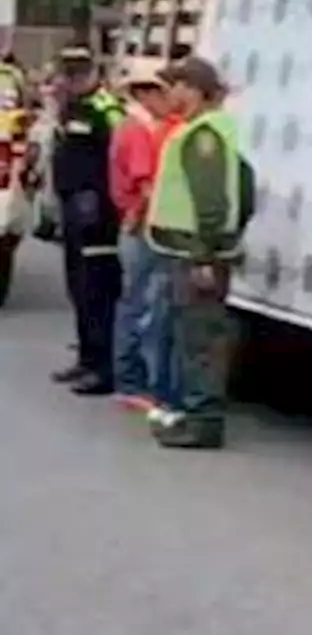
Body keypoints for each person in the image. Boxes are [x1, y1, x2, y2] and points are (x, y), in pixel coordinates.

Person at [145, 56, 244, 449]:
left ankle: (203, 421)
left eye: (174, 85)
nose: (168, 94)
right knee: (191, 336)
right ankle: (193, 414)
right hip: (187, 251)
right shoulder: (199, 130)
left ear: (193, 89)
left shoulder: (204, 135)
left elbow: (211, 201)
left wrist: (205, 256)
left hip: (196, 255)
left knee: (201, 339)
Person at [49, 47, 124, 396]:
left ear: (95, 72)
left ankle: (104, 367)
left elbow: (120, 161)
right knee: (78, 288)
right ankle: (87, 358)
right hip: (73, 209)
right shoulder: (71, 108)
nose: (72, 79)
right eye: (68, 73)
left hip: (99, 214)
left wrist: (106, 205)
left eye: (80, 73)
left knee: (97, 291)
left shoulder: (106, 110)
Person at [109, 57, 180, 415]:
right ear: (147, 93)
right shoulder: (137, 131)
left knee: (139, 302)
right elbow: (146, 185)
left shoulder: (142, 126)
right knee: (143, 306)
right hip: (144, 228)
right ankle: (133, 382)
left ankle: (132, 380)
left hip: (139, 225)